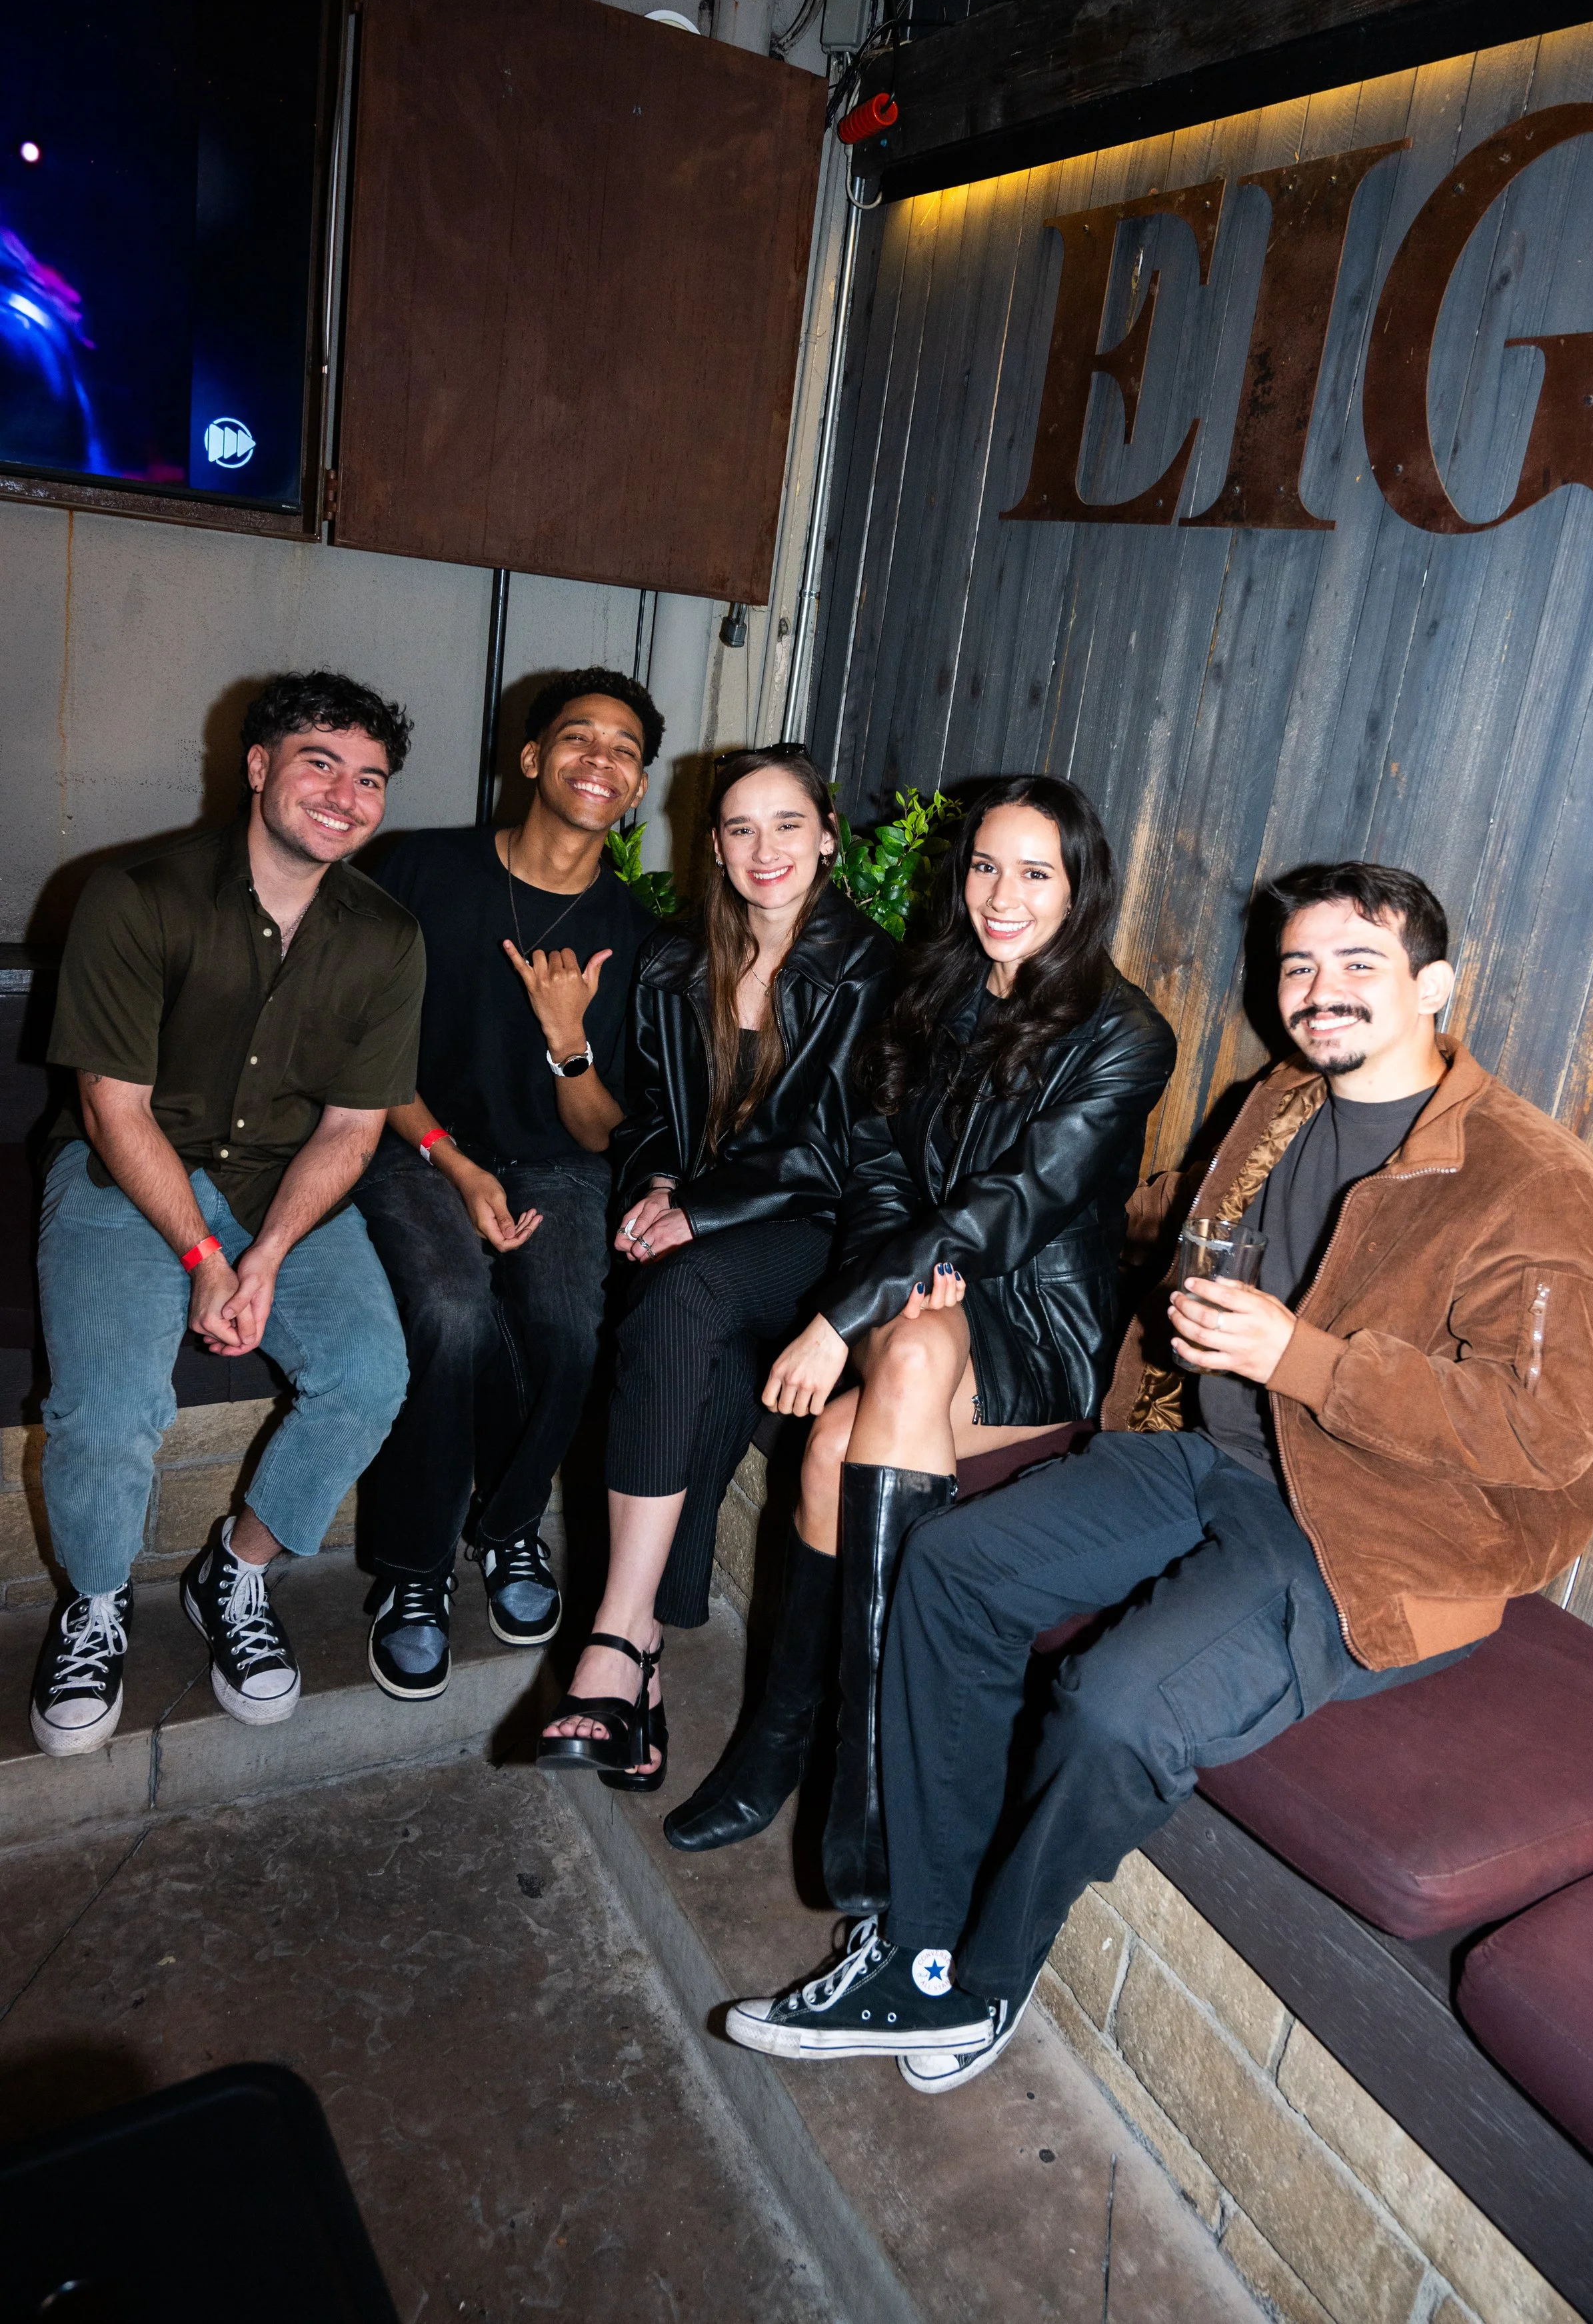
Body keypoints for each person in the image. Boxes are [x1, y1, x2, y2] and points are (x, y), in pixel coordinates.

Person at [721, 861, 1593, 2087]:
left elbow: (1546, 1434)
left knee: (1114, 1703)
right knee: (949, 1565)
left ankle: (985, 1976)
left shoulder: (1530, 1176)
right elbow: (1170, 1222)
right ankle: (918, 1947)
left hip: (1378, 1530)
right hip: (1206, 1454)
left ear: (1435, 986)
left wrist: (1299, 1355)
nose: (1321, 990)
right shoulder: (1285, 1105)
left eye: (1360, 964)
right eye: (1300, 965)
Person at [673, 776, 1176, 1892]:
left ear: (1081, 886)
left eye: (1035, 872)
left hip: (1039, 1320)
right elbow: (882, 1160)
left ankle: (858, 1803)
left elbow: (1016, 1209)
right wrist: (894, 1282)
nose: (1002, 894)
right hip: (922, 1294)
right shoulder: (937, 985)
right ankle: (792, 1757)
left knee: (884, 1371)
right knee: (825, 1446)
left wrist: (837, 1318)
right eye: (985, 866)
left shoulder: (1126, 1034)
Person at [29, 672, 423, 1758]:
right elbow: (113, 1108)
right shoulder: (137, 895)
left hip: (281, 1182)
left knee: (370, 1374)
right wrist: (208, 1258)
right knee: (110, 1411)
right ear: (258, 767)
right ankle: (95, 1605)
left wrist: (272, 1255)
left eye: (371, 779)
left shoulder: (388, 938)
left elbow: (352, 1127)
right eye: (320, 762)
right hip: (126, 1172)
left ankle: (235, 1571)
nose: (346, 794)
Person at [538, 745, 895, 1791]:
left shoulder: (873, 970)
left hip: (822, 1231)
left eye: (787, 824)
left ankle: (615, 1634)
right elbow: (652, 1116)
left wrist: (694, 1208)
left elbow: (843, 1148)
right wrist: (656, 1189)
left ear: (828, 836)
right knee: (701, 1345)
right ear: (715, 847)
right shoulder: (673, 961)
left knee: (683, 1291)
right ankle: (635, 1665)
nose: (764, 849)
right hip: (707, 1229)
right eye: (740, 828)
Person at [354, 670, 664, 1699]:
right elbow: (363, 1046)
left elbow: (607, 1129)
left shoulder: (637, 932)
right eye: (579, 737)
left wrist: (569, 1039)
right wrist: (453, 1159)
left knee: (573, 1326)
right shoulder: (423, 870)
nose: (600, 760)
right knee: (450, 1311)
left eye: (624, 750)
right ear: (531, 759)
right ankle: (412, 1567)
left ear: (637, 789)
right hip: (415, 1141)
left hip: (560, 1162)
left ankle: (509, 1525)